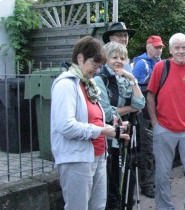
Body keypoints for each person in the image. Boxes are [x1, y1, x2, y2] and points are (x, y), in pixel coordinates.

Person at [51, 36, 129, 210]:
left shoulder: (89, 84)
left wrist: (112, 126)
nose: (98, 69)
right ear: (80, 58)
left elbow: (94, 118)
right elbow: (66, 126)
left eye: (100, 65)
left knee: (98, 206)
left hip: (98, 156)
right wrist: (102, 130)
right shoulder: (66, 85)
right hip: (76, 159)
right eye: (95, 63)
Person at [147, 33, 185, 210]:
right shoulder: (160, 67)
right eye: (177, 48)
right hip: (164, 128)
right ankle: (164, 207)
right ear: (171, 50)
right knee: (162, 174)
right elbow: (150, 96)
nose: (181, 51)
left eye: (184, 47)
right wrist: (155, 123)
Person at [94, 41, 145, 209]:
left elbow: (141, 103)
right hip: (108, 137)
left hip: (124, 135)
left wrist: (132, 79)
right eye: (114, 57)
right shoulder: (100, 79)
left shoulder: (124, 79)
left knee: (123, 180)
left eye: (122, 58)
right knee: (111, 182)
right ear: (105, 59)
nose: (118, 61)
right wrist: (130, 108)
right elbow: (106, 112)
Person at [131, 35, 165, 198]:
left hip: (157, 112)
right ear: (148, 47)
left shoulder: (160, 62)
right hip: (144, 114)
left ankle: (154, 181)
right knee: (147, 149)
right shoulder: (141, 64)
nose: (158, 50)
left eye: (160, 47)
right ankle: (147, 185)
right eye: (156, 47)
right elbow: (134, 90)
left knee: (157, 148)